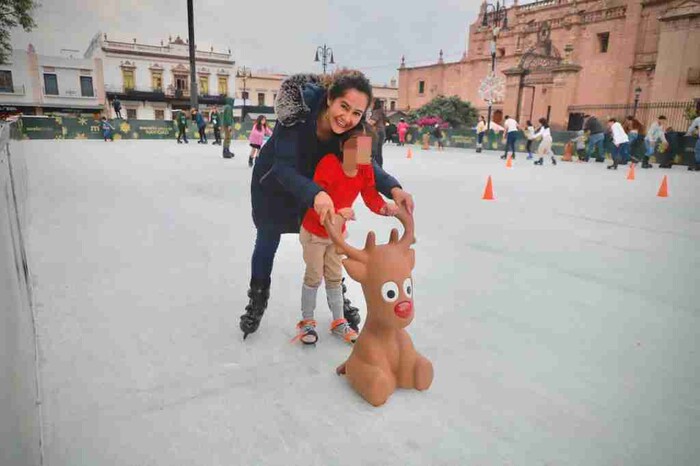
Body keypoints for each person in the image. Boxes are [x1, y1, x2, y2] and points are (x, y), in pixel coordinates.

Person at [240, 70, 415, 339]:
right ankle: (258, 299)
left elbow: (366, 165)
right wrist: (316, 194)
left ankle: (338, 298)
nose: (347, 118)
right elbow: (283, 168)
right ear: (329, 99)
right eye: (343, 106)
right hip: (274, 185)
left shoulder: (356, 131)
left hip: (318, 187)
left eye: (357, 113)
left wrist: (394, 188)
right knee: (267, 239)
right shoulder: (296, 115)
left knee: (329, 242)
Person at [294, 122, 399, 345]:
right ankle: (308, 321)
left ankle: (339, 321)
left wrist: (384, 207)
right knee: (314, 275)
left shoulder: (364, 169)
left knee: (334, 276)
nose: (361, 151)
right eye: (355, 145)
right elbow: (314, 196)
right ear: (342, 145)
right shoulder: (329, 164)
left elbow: (370, 196)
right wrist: (336, 211)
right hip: (315, 230)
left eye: (365, 147)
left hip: (337, 234)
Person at [367, 99, 387, 166]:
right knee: (378, 151)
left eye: (372, 103)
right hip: (381, 132)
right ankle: (379, 167)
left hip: (377, 133)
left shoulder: (376, 112)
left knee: (374, 151)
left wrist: (364, 123)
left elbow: (372, 122)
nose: (370, 105)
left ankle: (376, 168)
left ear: (375, 104)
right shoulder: (381, 111)